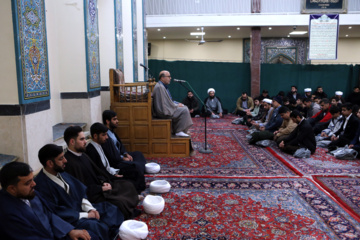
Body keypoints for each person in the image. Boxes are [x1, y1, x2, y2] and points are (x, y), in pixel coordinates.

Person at [35, 144, 123, 240]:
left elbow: (80, 192)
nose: (65, 160)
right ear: (50, 163)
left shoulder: (61, 172)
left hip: (80, 208)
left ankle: (113, 233)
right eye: (61, 159)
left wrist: (90, 209)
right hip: (71, 219)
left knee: (110, 208)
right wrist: (87, 215)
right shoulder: (41, 185)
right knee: (94, 225)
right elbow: (56, 212)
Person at [0, 161, 97, 240]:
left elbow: (49, 214)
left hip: (57, 234)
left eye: (33, 179)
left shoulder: (29, 193)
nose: (34, 184)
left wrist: (69, 231)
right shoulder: (6, 213)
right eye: (28, 183)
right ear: (12, 188)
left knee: (90, 235)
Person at [63, 126, 140, 220]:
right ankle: (128, 212)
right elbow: (79, 189)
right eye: (82, 139)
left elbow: (97, 171)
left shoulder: (83, 155)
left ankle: (130, 206)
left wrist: (103, 181)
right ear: (72, 142)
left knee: (127, 185)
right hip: (92, 195)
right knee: (119, 202)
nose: (85, 142)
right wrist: (100, 188)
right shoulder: (68, 163)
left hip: (99, 186)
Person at [86, 122, 145, 193]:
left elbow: (106, 165)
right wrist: (113, 176)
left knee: (136, 171)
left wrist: (114, 172)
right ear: (95, 136)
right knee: (130, 183)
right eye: (103, 135)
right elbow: (99, 171)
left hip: (112, 172)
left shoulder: (99, 144)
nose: (107, 137)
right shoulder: (91, 150)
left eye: (106, 134)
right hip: (107, 178)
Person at [102, 110, 146, 186]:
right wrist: (122, 158)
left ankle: (139, 169)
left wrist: (125, 154)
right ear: (107, 121)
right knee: (136, 166)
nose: (117, 121)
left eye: (117, 119)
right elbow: (111, 155)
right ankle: (139, 170)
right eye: (114, 119)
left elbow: (120, 145)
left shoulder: (112, 132)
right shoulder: (105, 137)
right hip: (116, 162)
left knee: (138, 154)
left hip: (120, 156)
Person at [152, 70, 193, 137]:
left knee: (184, 106)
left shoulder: (162, 86)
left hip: (167, 107)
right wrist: (176, 105)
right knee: (184, 110)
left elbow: (169, 100)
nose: (170, 78)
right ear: (162, 77)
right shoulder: (160, 87)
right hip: (162, 111)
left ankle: (180, 129)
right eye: (169, 76)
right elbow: (164, 104)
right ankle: (179, 131)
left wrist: (177, 103)